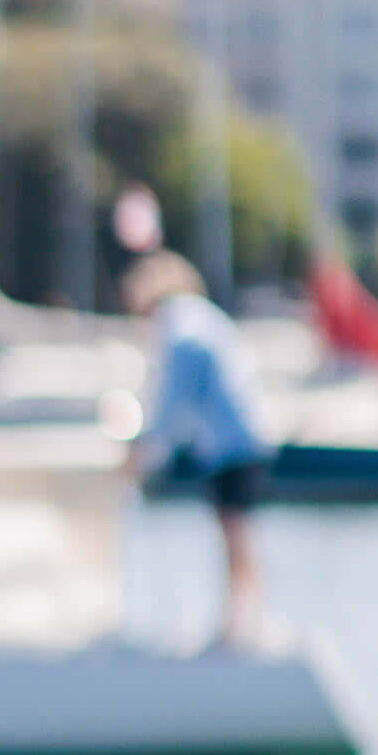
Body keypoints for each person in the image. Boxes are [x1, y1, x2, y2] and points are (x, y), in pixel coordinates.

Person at [121, 250, 275, 647]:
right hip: (245, 435)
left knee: (233, 531)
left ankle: (239, 627)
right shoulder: (200, 316)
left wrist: (147, 452)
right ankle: (249, 620)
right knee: (238, 532)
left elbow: (172, 401)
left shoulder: (180, 327)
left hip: (232, 443)